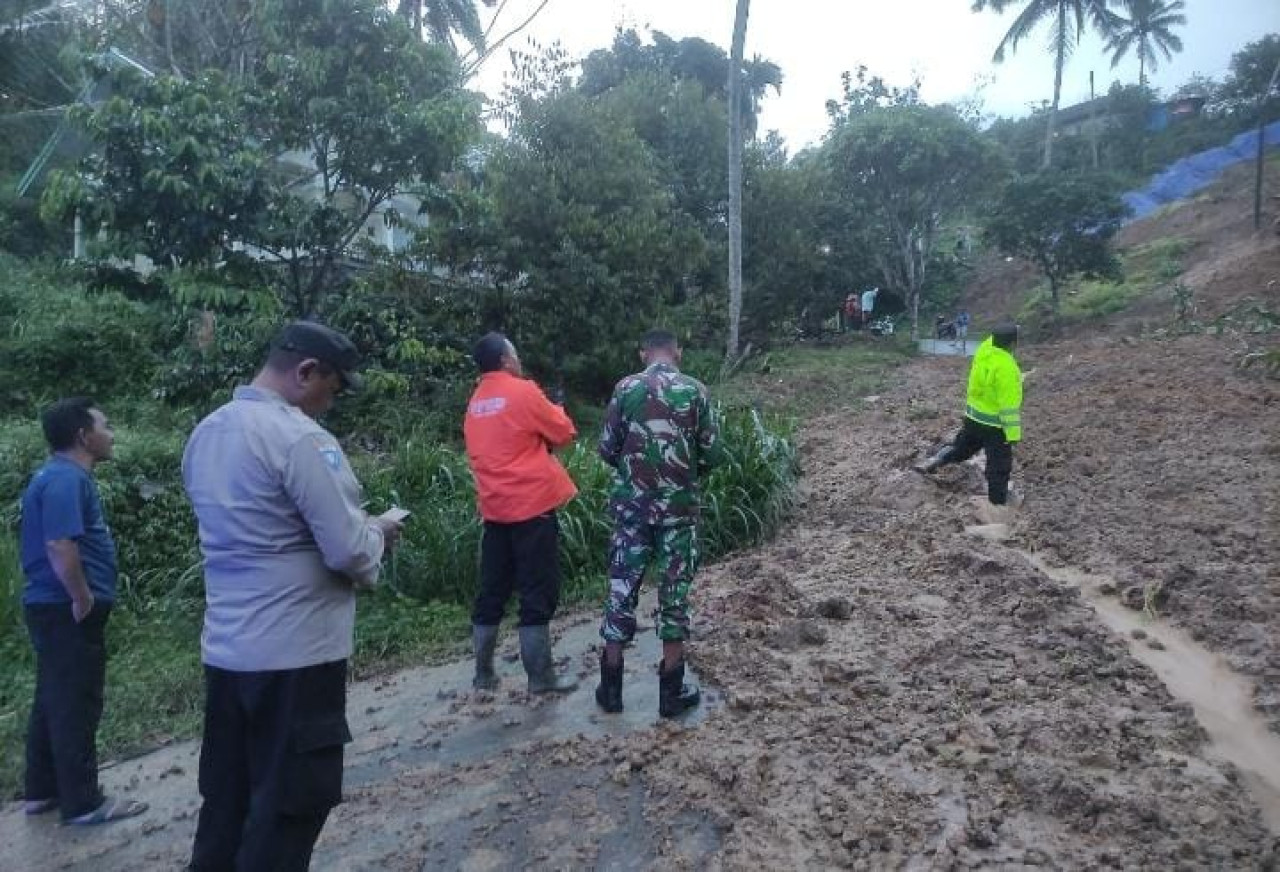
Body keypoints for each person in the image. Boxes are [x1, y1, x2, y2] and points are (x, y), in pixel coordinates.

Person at [183, 321, 402, 872]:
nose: (331, 401)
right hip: (296, 658)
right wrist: (380, 531)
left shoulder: (208, 432)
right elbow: (349, 550)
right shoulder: (299, 438)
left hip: (230, 654)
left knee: (228, 804)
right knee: (288, 810)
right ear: (307, 372)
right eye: (333, 387)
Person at [20, 398, 148, 825]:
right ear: (82, 435)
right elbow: (60, 544)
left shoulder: (58, 477)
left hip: (52, 607)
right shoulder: (65, 480)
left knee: (53, 696)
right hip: (65, 607)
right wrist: (82, 597)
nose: (110, 433)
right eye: (104, 425)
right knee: (76, 701)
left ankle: (42, 791)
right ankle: (84, 802)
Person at [595, 330, 723, 717]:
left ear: (643, 352)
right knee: (674, 596)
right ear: (677, 353)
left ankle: (611, 689)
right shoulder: (695, 390)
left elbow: (606, 448)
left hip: (632, 512)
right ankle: (671, 693)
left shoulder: (625, 388)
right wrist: (682, 476)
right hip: (678, 513)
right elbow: (713, 453)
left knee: (621, 590)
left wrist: (635, 474)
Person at [463, 332, 579, 695]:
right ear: (505, 360)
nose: (518, 360)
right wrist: (557, 409)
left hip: (495, 511)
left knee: (491, 591)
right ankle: (542, 679)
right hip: (532, 509)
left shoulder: (475, 402)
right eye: (514, 354)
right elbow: (563, 432)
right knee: (536, 591)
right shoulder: (522, 391)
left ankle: (483, 675)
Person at [915, 322, 1023, 505]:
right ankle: (998, 503)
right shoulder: (1007, 368)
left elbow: (994, 338)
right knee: (998, 465)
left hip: (973, 418)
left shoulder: (984, 350)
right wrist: (1013, 436)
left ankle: (936, 460)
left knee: (962, 448)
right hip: (995, 426)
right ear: (1013, 344)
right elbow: (1009, 408)